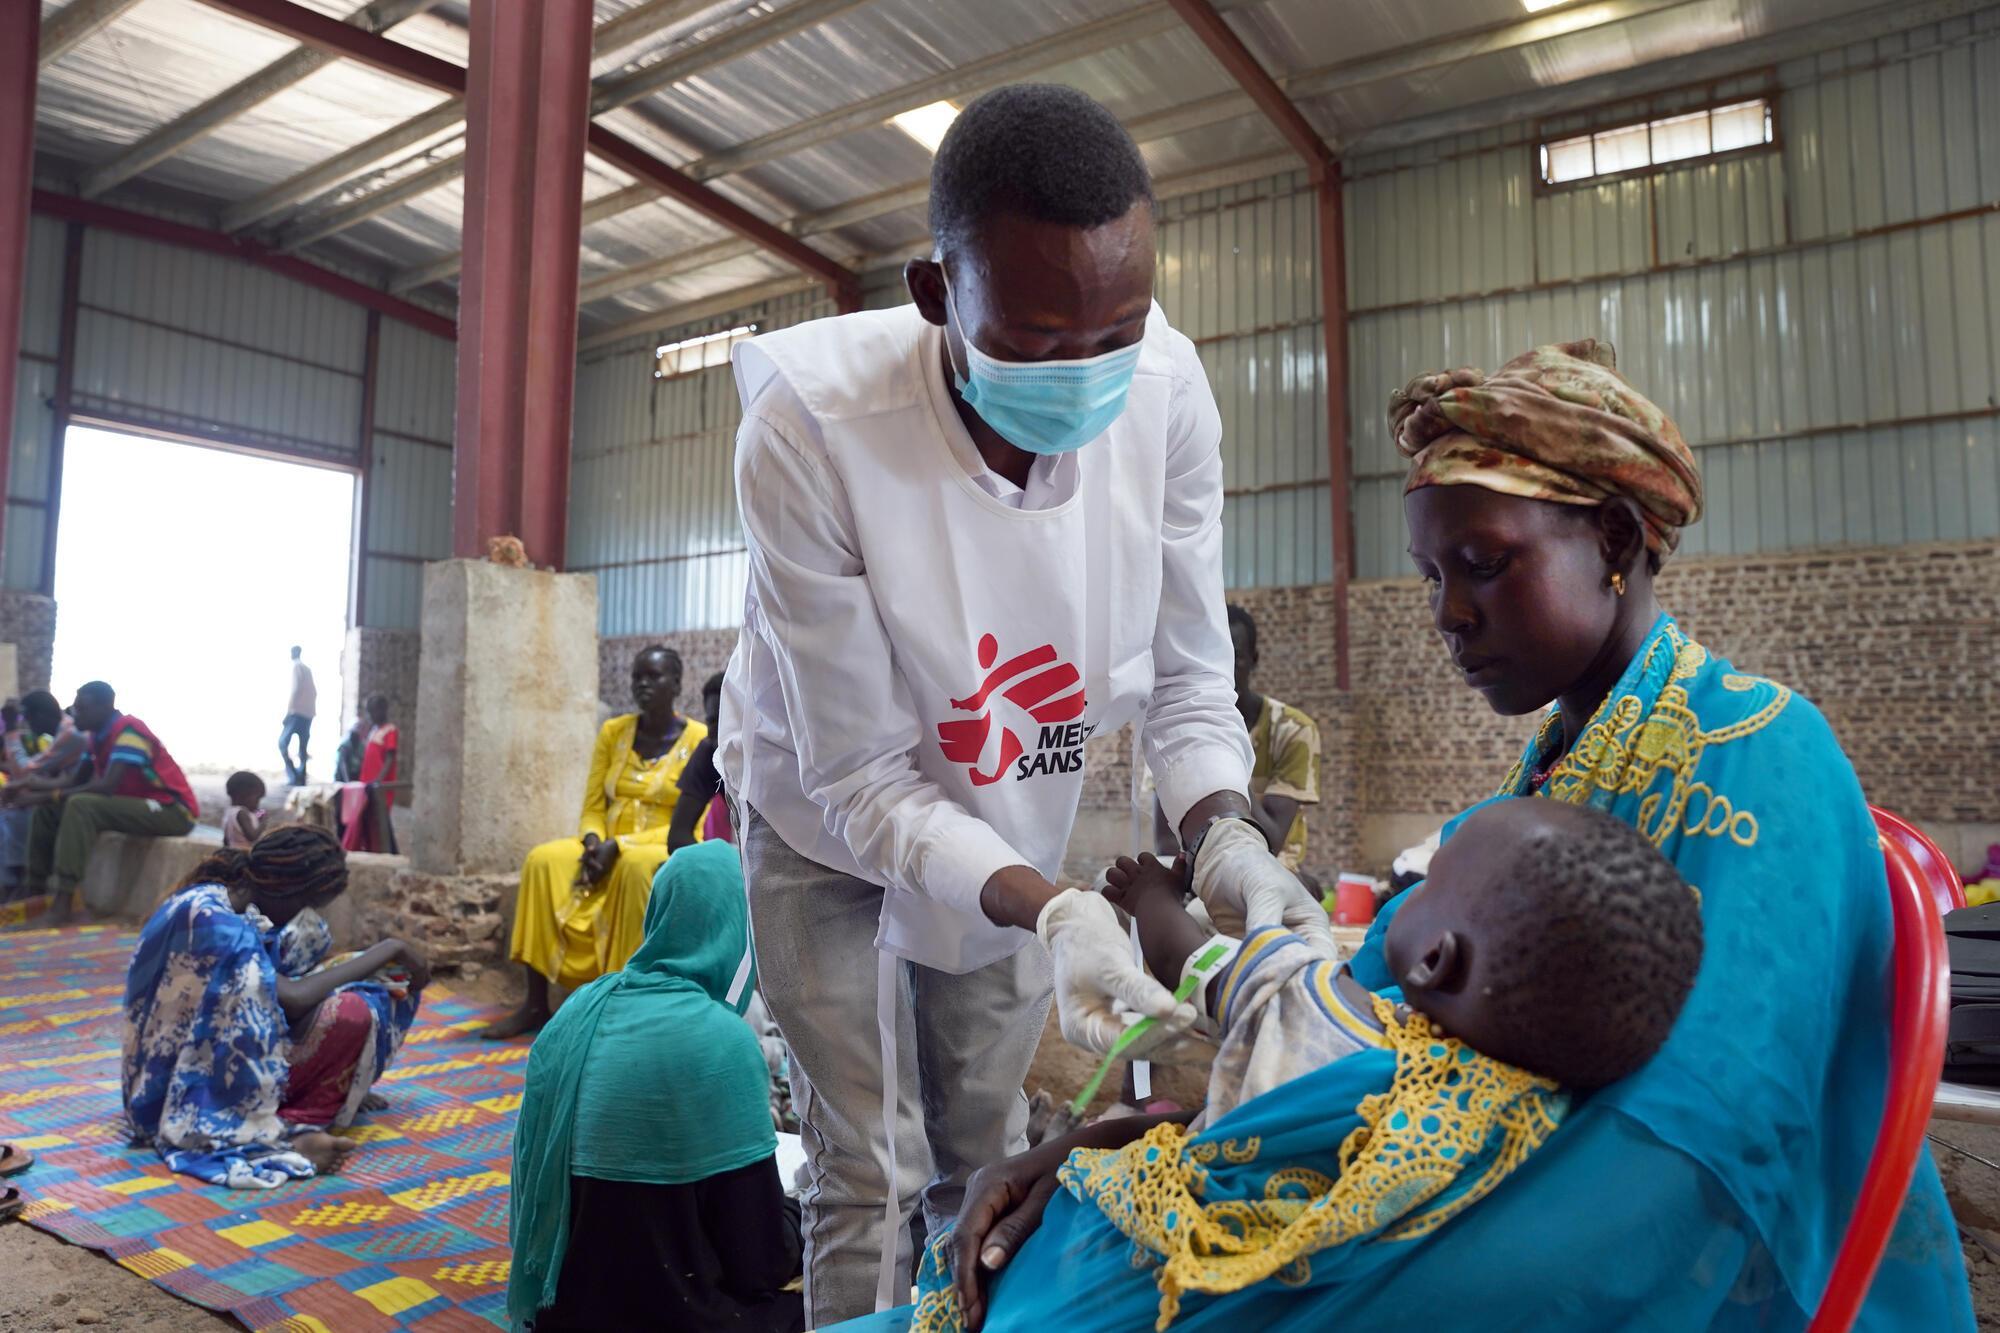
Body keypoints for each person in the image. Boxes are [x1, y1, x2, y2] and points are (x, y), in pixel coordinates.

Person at [918, 340, 1976, 1330]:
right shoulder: (1523, 802)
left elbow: (1694, 1152)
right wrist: (1128, 1144)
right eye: (1431, 578)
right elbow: (1358, 1052)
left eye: (1481, 563)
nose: (1445, 615)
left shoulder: (1756, 753)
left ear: (1611, 540)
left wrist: (1230, 1238)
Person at [718, 84, 1302, 1322]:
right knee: (866, 1166)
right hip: (828, 828)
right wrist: (1054, 915)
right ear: (938, 296)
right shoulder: (812, 430)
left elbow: (1194, 687)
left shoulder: (1167, 393)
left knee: (980, 1151)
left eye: (1118, 331)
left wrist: (1234, 847)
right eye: (1038, 343)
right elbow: (865, 782)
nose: (1088, 375)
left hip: (1001, 812)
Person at [881, 799, 1702, 1331]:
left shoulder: (1323, 1003)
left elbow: (1191, 955)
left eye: (1429, 884)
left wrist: (1149, 897)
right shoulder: (1523, 1136)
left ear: (1437, 956)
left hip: (1102, 1284)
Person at [510, 840, 804, 1332]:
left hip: (564, 1313)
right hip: (682, 1319)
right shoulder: (723, 1042)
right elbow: (759, 1263)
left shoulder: (576, 1014)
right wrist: (798, 1213)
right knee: (844, 1299)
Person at [122, 824, 428, 1188]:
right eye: (309, 905)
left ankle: (330, 1095)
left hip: (187, 1067)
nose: (307, 916)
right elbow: (293, 998)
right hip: (172, 1092)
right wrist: (388, 950)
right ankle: (283, 1131)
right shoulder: (217, 925)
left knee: (378, 985)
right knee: (350, 1011)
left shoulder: (214, 900)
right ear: (289, 890)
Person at [482, 646, 708, 1040]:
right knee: (542, 860)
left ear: (676, 683)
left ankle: (620, 1007)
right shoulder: (613, 732)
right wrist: (592, 841)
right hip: (605, 841)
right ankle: (535, 1003)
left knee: (638, 870)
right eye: (637, 676)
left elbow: (692, 823)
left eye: (653, 676)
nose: (642, 684)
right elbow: (592, 805)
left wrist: (618, 846)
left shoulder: (701, 739)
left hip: (661, 842)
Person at [11, 682, 198, 923]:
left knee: (81, 805)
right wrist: (26, 787)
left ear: (105, 706)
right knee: (48, 810)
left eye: (82, 709)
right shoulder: (96, 738)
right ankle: (35, 890)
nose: (74, 714)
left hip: (172, 811)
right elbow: (74, 780)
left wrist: (47, 794)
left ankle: (63, 901)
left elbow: (106, 785)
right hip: (140, 807)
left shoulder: (129, 729)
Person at [667, 670, 727, 851]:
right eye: (713, 722)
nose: (721, 732)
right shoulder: (710, 751)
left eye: (729, 720)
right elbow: (678, 836)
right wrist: (720, 864)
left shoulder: (778, 753)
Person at [337, 694, 399, 853]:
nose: (371, 716)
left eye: (374, 712)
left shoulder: (390, 731)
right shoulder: (373, 731)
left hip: (380, 782)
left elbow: (390, 758)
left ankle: (389, 850)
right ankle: (369, 847)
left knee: (381, 816)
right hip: (367, 781)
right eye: (369, 712)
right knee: (366, 815)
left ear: (383, 710)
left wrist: (379, 779)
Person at [279, 645, 316, 786]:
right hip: (308, 713)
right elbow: (314, 692)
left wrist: (289, 712)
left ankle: (294, 776)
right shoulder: (307, 670)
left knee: (282, 743)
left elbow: (295, 690)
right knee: (303, 747)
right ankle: (300, 777)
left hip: (297, 713)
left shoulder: (297, 667)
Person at [222, 771, 267, 849]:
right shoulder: (242, 813)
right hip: (244, 853)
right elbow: (252, 836)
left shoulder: (230, 812)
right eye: (257, 799)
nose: (257, 803)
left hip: (232, 851)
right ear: (244, 795)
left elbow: (226, 840)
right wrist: (263, 823)